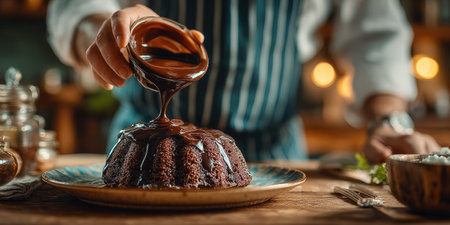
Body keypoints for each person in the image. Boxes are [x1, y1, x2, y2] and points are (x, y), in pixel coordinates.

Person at [47, 0, 440, 163]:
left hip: (275, 155)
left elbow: (375, 30)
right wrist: (104, 34)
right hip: (145, 152)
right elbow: (76, 7)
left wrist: (390, 119)